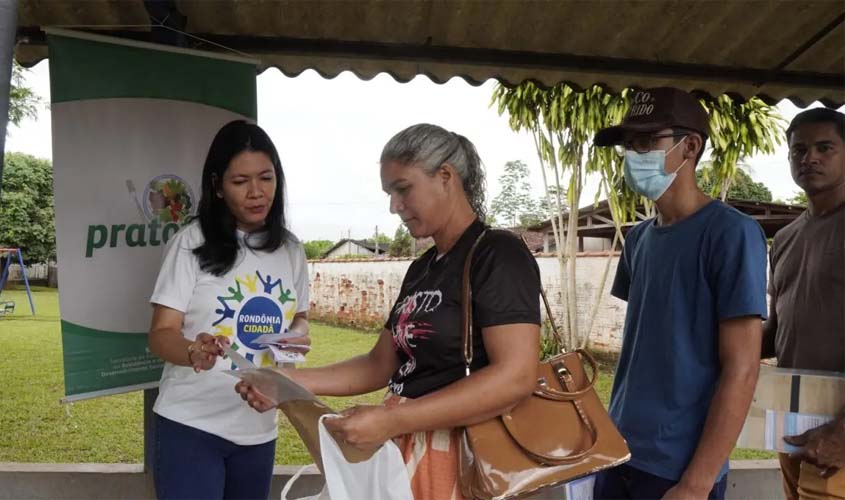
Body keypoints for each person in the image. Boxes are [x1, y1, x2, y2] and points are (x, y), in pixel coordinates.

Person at [237, 123, 542, 500]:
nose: (394, 206)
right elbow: (379, 364)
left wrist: (394, 419)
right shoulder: (423, 268)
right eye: (390, 193)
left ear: (445, 176)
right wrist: (285, 382)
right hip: (406, 450)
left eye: (403, 188)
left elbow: (516, 376)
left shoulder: (497, 254)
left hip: (462, 458)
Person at [591, 87, 768, 499]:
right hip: (619, 452)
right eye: (628, 144)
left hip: (676, 468)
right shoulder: (639, 240)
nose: (633, 155)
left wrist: (696, 483)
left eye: (646, 141)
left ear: (690, 147)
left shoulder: (731, 234)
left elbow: (742, 367)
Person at [147, 120, 311, 499]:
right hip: (190, 425)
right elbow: (160, 334)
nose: (256, 192)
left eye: (266, 178)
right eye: (240, 181)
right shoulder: (191, 242)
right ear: (218, 186)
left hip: (258, 429)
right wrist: (193, 350)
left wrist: (292, 345)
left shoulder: (290, 250)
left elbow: (300, 321)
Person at [762, 108, 845, 499]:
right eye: (799, 150)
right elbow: (777, 332)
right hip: (794, 425)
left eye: (824, 147)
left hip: (838, 433)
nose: (809, 158)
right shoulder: (784, 239)